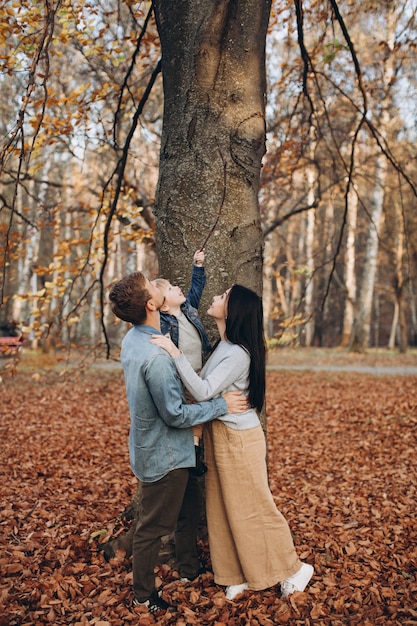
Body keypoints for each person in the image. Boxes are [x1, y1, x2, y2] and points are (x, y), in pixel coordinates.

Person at [151, 284, 314, 601]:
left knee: (253, 507)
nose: (215, 298)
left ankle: (294, 569)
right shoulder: (224, 346)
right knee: (223, 507)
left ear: (234, 310)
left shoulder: (238, 352)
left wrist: (175, 353)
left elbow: (202, 390)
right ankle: (236, 573)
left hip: (240, 439)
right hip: (221, 435)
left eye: (223, 297)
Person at [108, 272, 247, 616]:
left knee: (188, 510)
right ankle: (143, 596)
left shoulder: (136, 339)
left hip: (173, 450)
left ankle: (189, 570)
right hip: (165, 454)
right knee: (152, 529)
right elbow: (174, 415)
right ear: (152, 304)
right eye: (155, 286)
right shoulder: (155, 357)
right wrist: (220, 406)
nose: (161, 284)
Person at [155, 249, 211, 476]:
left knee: (198, 408)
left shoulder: (189, 309)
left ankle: (194, 448)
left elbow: (196, 289)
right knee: (192, 409)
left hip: (199, 372)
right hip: (183, 375)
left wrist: (198, 266)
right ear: (164, 306)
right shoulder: (164, 322)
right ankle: (191, 451)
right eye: (170, 289)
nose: (177, 288)